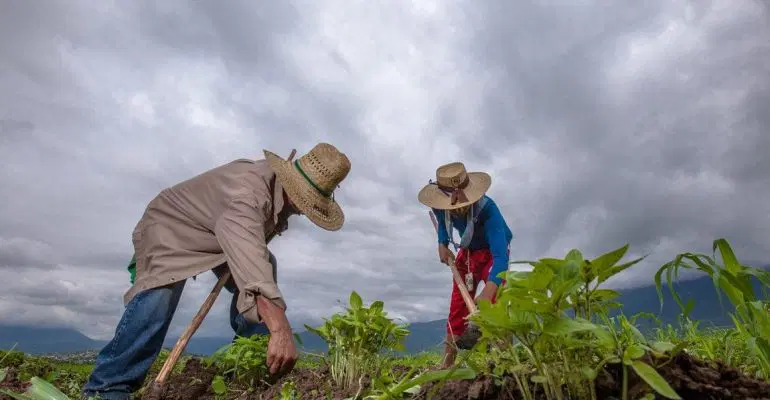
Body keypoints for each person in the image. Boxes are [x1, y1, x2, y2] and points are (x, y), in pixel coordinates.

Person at [82, 143, 351, 400]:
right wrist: (281, 331)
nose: (304, 211)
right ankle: (108, 387)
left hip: (216, 233)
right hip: (170, 227)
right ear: (294, 187)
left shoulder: (274, 191)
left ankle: (249, 365)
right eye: (305, 202)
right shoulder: (247, 197)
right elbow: (254, 271)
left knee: (266, 267)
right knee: (160, 294)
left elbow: (254, 259)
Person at [417, 162, 513, 368]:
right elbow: (443, 222)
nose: (457, 210)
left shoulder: (488, 210)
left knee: (496, 300)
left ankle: (505, 359)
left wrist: (489, 289)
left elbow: (501, 258)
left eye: (462, 204)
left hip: (492, 253)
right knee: (458, 303)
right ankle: (448, 361)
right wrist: (442, 243)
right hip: (468, 252)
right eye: (452, 206)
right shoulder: (440, 205)